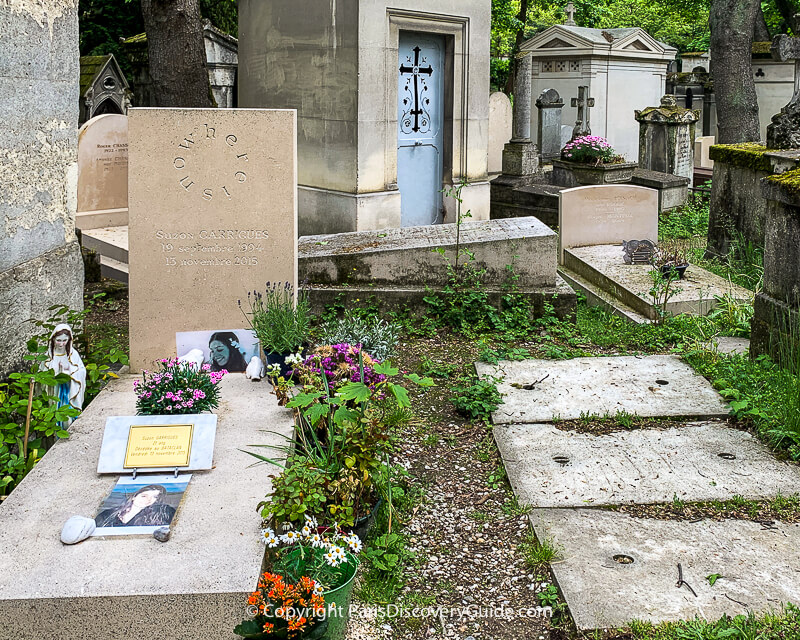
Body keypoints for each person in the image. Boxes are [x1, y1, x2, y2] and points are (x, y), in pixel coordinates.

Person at [42, 324, 87, 425]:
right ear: (53, 339)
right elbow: (42, 375)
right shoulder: (48, 356)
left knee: (68, 419)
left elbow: (82, 371)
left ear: (69, 340)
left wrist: (69, 372)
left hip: (68, 391)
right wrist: (54, 374)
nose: (61, 344)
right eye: (58, 340)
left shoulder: (72, 354)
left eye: (64, 340)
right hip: (54, 391)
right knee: (54, 417)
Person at [95, 484, 176, 528]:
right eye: (144, 496)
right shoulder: (109, 514)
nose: (148, 500)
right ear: (134, 496)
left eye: (154, 497)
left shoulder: (159, 515)